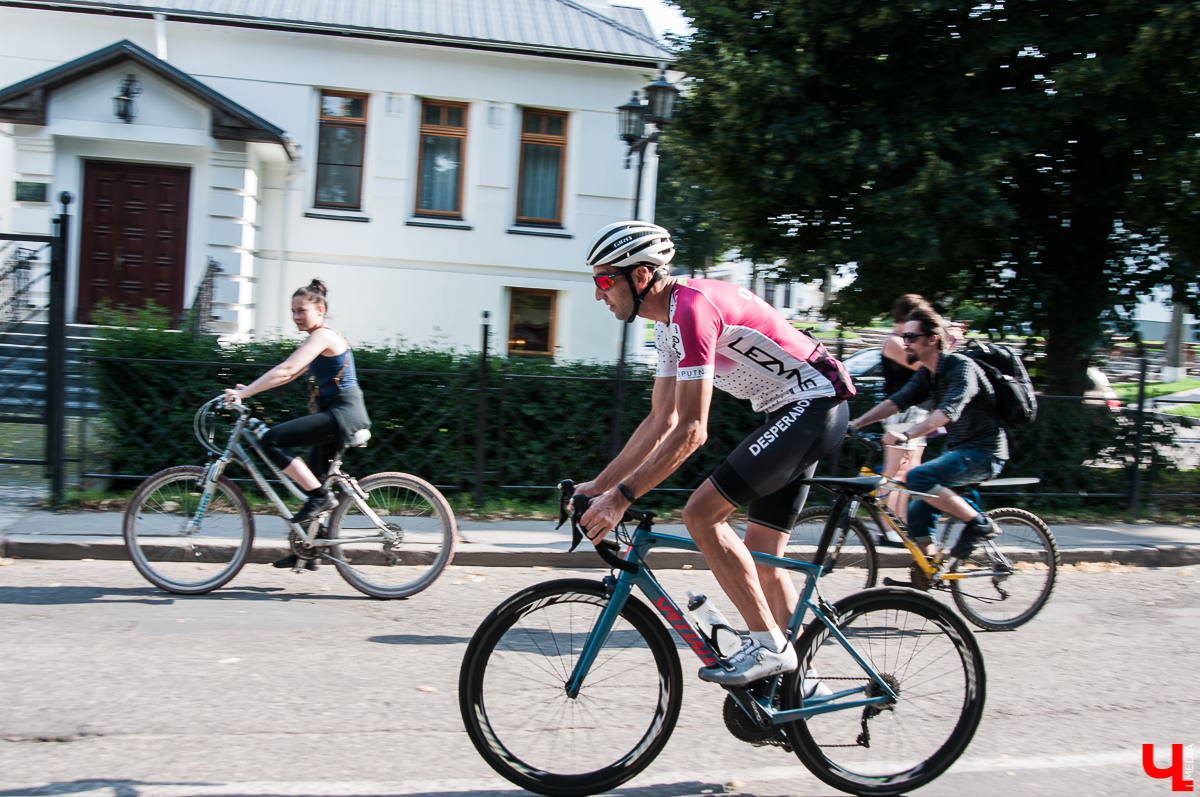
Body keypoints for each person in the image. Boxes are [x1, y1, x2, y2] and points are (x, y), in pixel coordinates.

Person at [576, 221, 854, 687]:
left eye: (605, 279)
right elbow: (658, 422)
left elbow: (691, 430)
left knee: (701, 514)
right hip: (791, 411)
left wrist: (620, 499)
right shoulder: (668, 327)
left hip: (815, 406)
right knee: (763, 558)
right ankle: (801, 685)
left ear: (640, 277)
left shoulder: (691, 310)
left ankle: (770, 648)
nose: (599, 294)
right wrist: (597, 487)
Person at [223, 279, 370, 568]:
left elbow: (286, 369)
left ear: (320, 309)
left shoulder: (324, 336)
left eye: (302, 310)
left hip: (343, 413)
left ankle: (320, 498)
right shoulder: (316, 339)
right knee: (313, 478)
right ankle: (308, 550)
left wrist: (243, 393)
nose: (296, 317)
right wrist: (248, 390)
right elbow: (289, 376)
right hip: (336, 412)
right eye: (293, 311)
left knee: (272, 441)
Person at [847, 305, 1005, 562]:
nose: (904, 343)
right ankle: (929, 569)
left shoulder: (961, 367)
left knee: (917, 476)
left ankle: (980, 524)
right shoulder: (927, 374)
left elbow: (947, 412)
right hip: (957, 452)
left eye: (910, 337)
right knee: (919, 507)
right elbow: (896, 402)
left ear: (932, 339)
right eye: (903, 337)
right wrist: (856, 423)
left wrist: (906, 435)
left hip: (984, 454)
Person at [877, 294, 934, 531]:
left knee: (909, 472)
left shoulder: (907, 340)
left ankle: (900, 523)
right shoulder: (894, 342)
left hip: (919, 412)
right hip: (900, 413)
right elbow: (920, 364)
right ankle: (887, 527)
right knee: (893, 470)